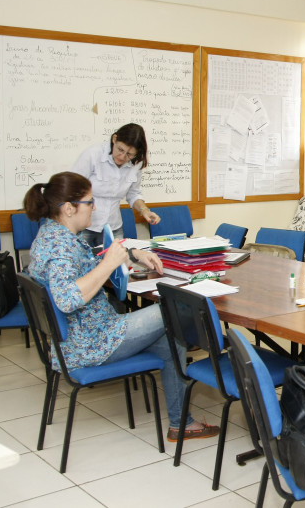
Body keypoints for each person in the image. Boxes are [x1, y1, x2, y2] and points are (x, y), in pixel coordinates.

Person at [23, 171, 218, 442]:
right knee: (173, 310)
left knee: (170, 335)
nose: (95, 208)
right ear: (69, 209)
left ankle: (181, 422)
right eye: (90, 202)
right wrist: (108, 264)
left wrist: (131, 254)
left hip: (83, 337)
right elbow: (66, 299)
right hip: (92, 342)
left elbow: (83, 261)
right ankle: (217, 362)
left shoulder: (52, 233)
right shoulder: (60, 248)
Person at [71, 123, 161, 247]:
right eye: (120, 150)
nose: (123, 157)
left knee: (116, 263)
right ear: (114, 139)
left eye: (129, 154)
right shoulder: (93, 154)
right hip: (84, 225)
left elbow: (133, 193)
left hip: (112, 226)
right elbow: (72, 188)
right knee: (80, 263)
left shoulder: (136, 164)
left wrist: (144, 210)